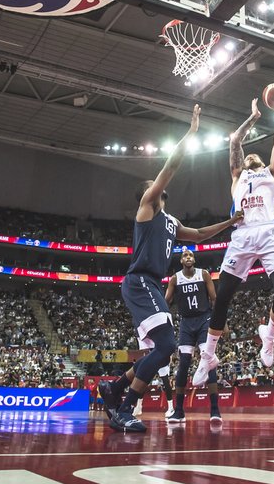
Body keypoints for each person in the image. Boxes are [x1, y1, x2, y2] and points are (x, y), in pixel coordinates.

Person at [99, 105, 243, 433]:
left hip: (150, 285)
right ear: (149, 192)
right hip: (140, 282)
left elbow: (201, 235)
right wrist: (190, 133)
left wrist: (230, 221)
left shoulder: (170, 221)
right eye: (154, 184)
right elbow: (170, 167)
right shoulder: (148, 208)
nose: (159, 184)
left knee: (163, 354)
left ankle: (114, 387)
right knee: (165, 348)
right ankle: (123, 408)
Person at [193, 99, 274, 385]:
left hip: (269, 231)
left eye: (253, 157)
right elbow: (235, 140)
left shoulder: (272, 173)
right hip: (242, 234)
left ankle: (269, 336)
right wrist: (253, 117)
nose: (249, 158)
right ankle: (208, 356)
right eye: (246, 157)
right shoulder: (238, 176)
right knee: (222, 296)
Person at [165, 249, 220, 424]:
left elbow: (214, 298)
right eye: (185, 256)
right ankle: (179, 410)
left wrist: (220, 320)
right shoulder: (175, 278)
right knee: (183, 364)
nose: (188, 257)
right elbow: (166, 300)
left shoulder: (203, 274)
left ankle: (214, 410)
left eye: (191, 255)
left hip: (204, 320)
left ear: (194, 259)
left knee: (209, 362)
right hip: (186, 323)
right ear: (181, 260)